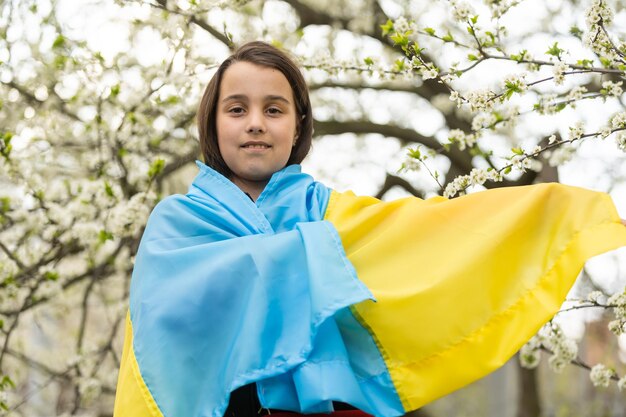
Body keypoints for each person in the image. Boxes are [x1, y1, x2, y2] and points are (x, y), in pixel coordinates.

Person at [113, 41, 626, 417]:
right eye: (237, 109)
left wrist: (550, 211)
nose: (255, 123)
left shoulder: (331, 213)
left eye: (274, 109)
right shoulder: (177, 223)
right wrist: (305, 258)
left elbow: (429, 236)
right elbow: (164, 322)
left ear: (297, 128)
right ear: (212, 124)